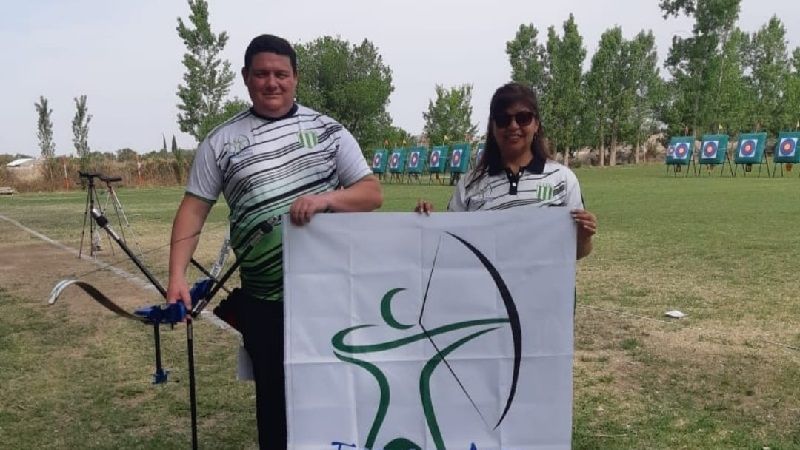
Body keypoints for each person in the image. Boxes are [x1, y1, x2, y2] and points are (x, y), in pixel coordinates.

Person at [166, 34, 383, 449]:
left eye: (281, 74)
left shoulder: (328, 130)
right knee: (275, 404)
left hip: (331, 297)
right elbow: (194, 209)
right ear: (246, 78)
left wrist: (326, 199)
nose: (272, 83)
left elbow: (371, 193)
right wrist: (177, 276)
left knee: (337, 395)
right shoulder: (221, 141)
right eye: (262, 74)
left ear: (295, 78)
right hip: (265, 304)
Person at [415, 82, 595, 259]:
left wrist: (584, 236)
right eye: (503, 120)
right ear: (493, 128)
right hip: (486, 288)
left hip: (545, 288)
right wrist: (425, 221)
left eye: (523, 118)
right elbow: (451, 247)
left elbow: (578, 252)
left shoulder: (562, 179)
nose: (513, 126)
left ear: (536, 124)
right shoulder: (469, 184)